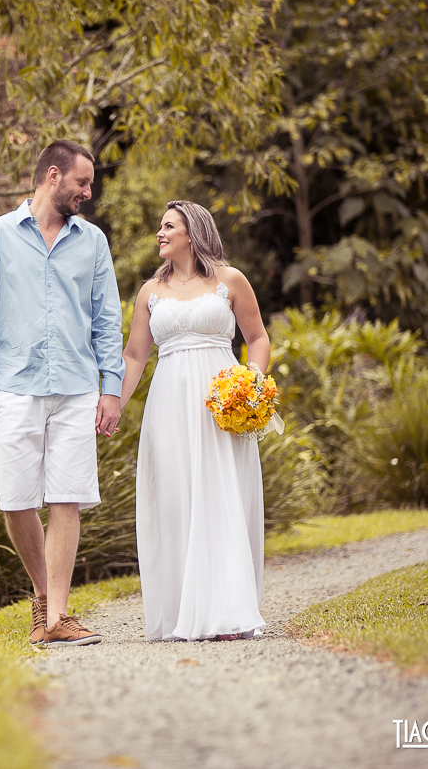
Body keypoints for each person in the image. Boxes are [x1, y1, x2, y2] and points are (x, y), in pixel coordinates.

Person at [0, 139, 124, 647]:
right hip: (17, 385)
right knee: (15, 498)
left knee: (66, 498)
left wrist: (109, 390)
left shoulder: (93, 243)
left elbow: (108, 321)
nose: (88, 193)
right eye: (82, 183)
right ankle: (44, 598)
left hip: (76, 386)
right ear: (53, 175)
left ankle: (56, 617)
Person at [118, 201, 269, 641]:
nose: (159, 233)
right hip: (168, 403)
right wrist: (113, 405)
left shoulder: (230, 280)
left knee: (221, 496)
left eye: (168, 226)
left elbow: (257, 338)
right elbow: (133, 357)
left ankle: (227, 612)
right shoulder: (150, 292)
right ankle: (184, 611)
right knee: (175, 498)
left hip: (221, 401)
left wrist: (250, 385)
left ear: (193, 232)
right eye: (160, 226)